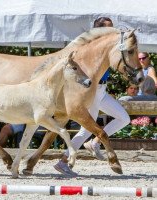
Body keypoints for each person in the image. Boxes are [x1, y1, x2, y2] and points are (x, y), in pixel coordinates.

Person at [53, 17, 131, 177]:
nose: (113, 31)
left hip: (102, 91)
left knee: (124, 119)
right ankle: (63, 161)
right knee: (85, 130)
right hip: (93, 91)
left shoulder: (106, 46)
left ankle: (95, 143)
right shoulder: (90, 47)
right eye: (109, 28)